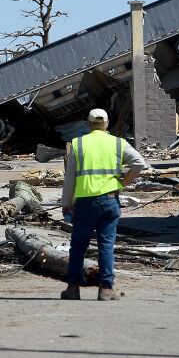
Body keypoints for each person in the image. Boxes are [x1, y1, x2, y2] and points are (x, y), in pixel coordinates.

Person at [60, 108, 147, 302]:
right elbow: (139, 163)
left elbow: (70, 177)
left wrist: (66, 203)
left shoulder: (79, 144)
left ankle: (73, 288)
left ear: (89, 124)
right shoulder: (118, 143)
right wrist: (122, 184)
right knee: (106, 246)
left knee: (78, 246)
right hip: (109, 200)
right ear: (107, 123)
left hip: (85, 203)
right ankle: (106, 289)